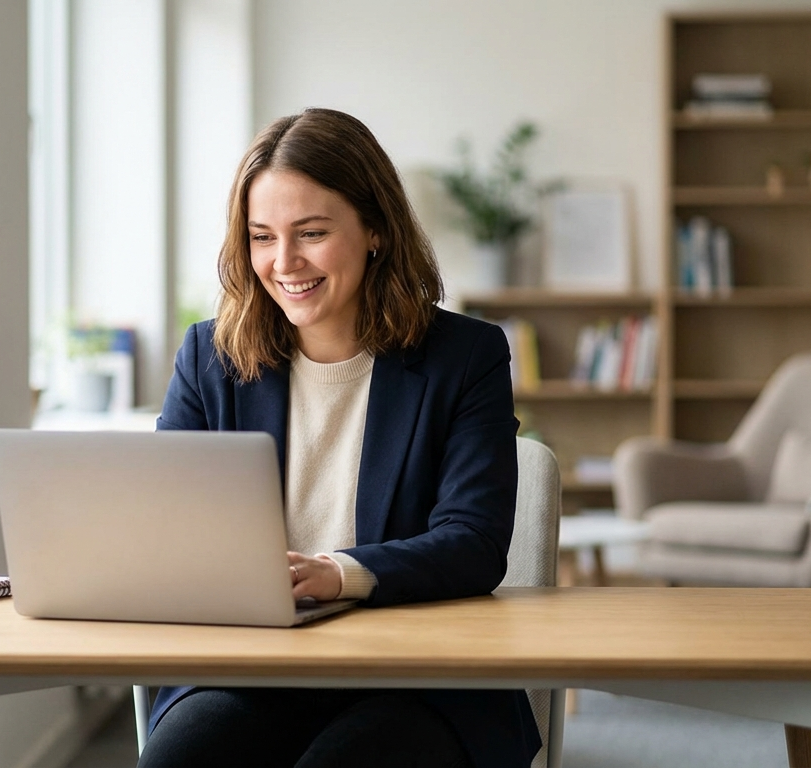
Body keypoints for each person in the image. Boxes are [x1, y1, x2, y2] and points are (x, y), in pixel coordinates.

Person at [141, 108, 540, 768]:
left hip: (417, 679)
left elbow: (473, 542)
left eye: (312, 233)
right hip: (248, 670)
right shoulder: (208, 359)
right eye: (262, 236)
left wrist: (336, 574)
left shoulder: (465, 357)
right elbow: (161, 523)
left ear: (375, 229)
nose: (283, 262)